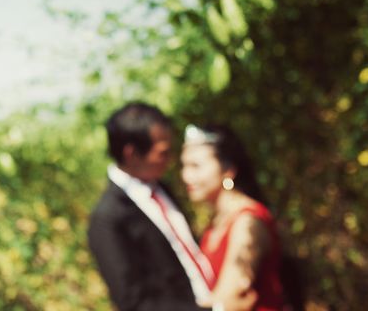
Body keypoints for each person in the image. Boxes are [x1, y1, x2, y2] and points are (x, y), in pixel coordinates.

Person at [88, 102, 255, 311]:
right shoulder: (108, 218)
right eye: (163, 153)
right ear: (131, 154)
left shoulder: (162, 189)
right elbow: (134, 303)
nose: (170, 160)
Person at [180, 123, 286, 311]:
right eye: (184, 166)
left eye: (196, 166)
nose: (186, 176)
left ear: (228, 169)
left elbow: (229, 297)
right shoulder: (215, 224)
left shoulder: (247, 222)